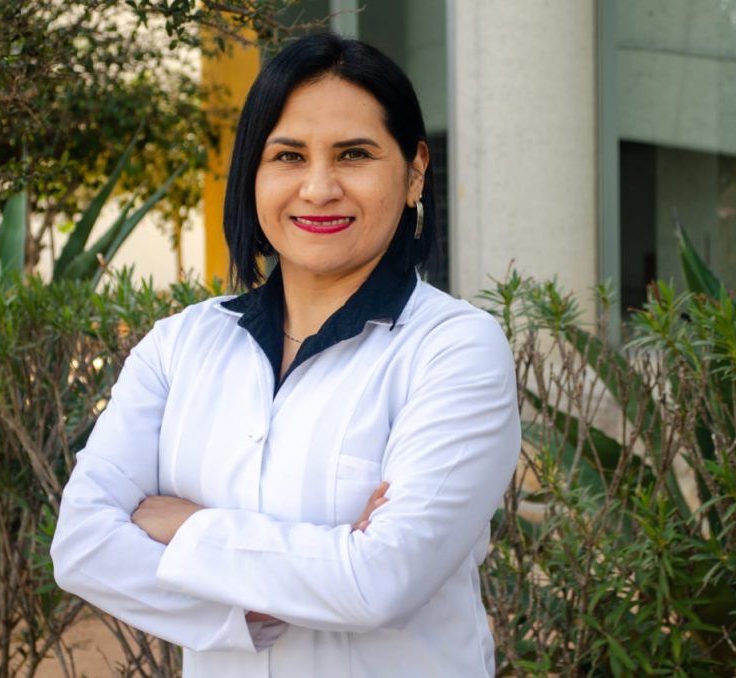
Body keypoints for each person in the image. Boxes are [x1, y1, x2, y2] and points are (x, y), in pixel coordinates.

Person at [50, 32, 521, 678]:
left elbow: (380, 581)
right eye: (289, 156)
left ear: (414, 171)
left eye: (354, 154)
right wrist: (266, 601)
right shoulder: (180, 345)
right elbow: (81, 545)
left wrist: (188, 527)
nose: (319, 188)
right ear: (253, 173)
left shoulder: (455, 350)